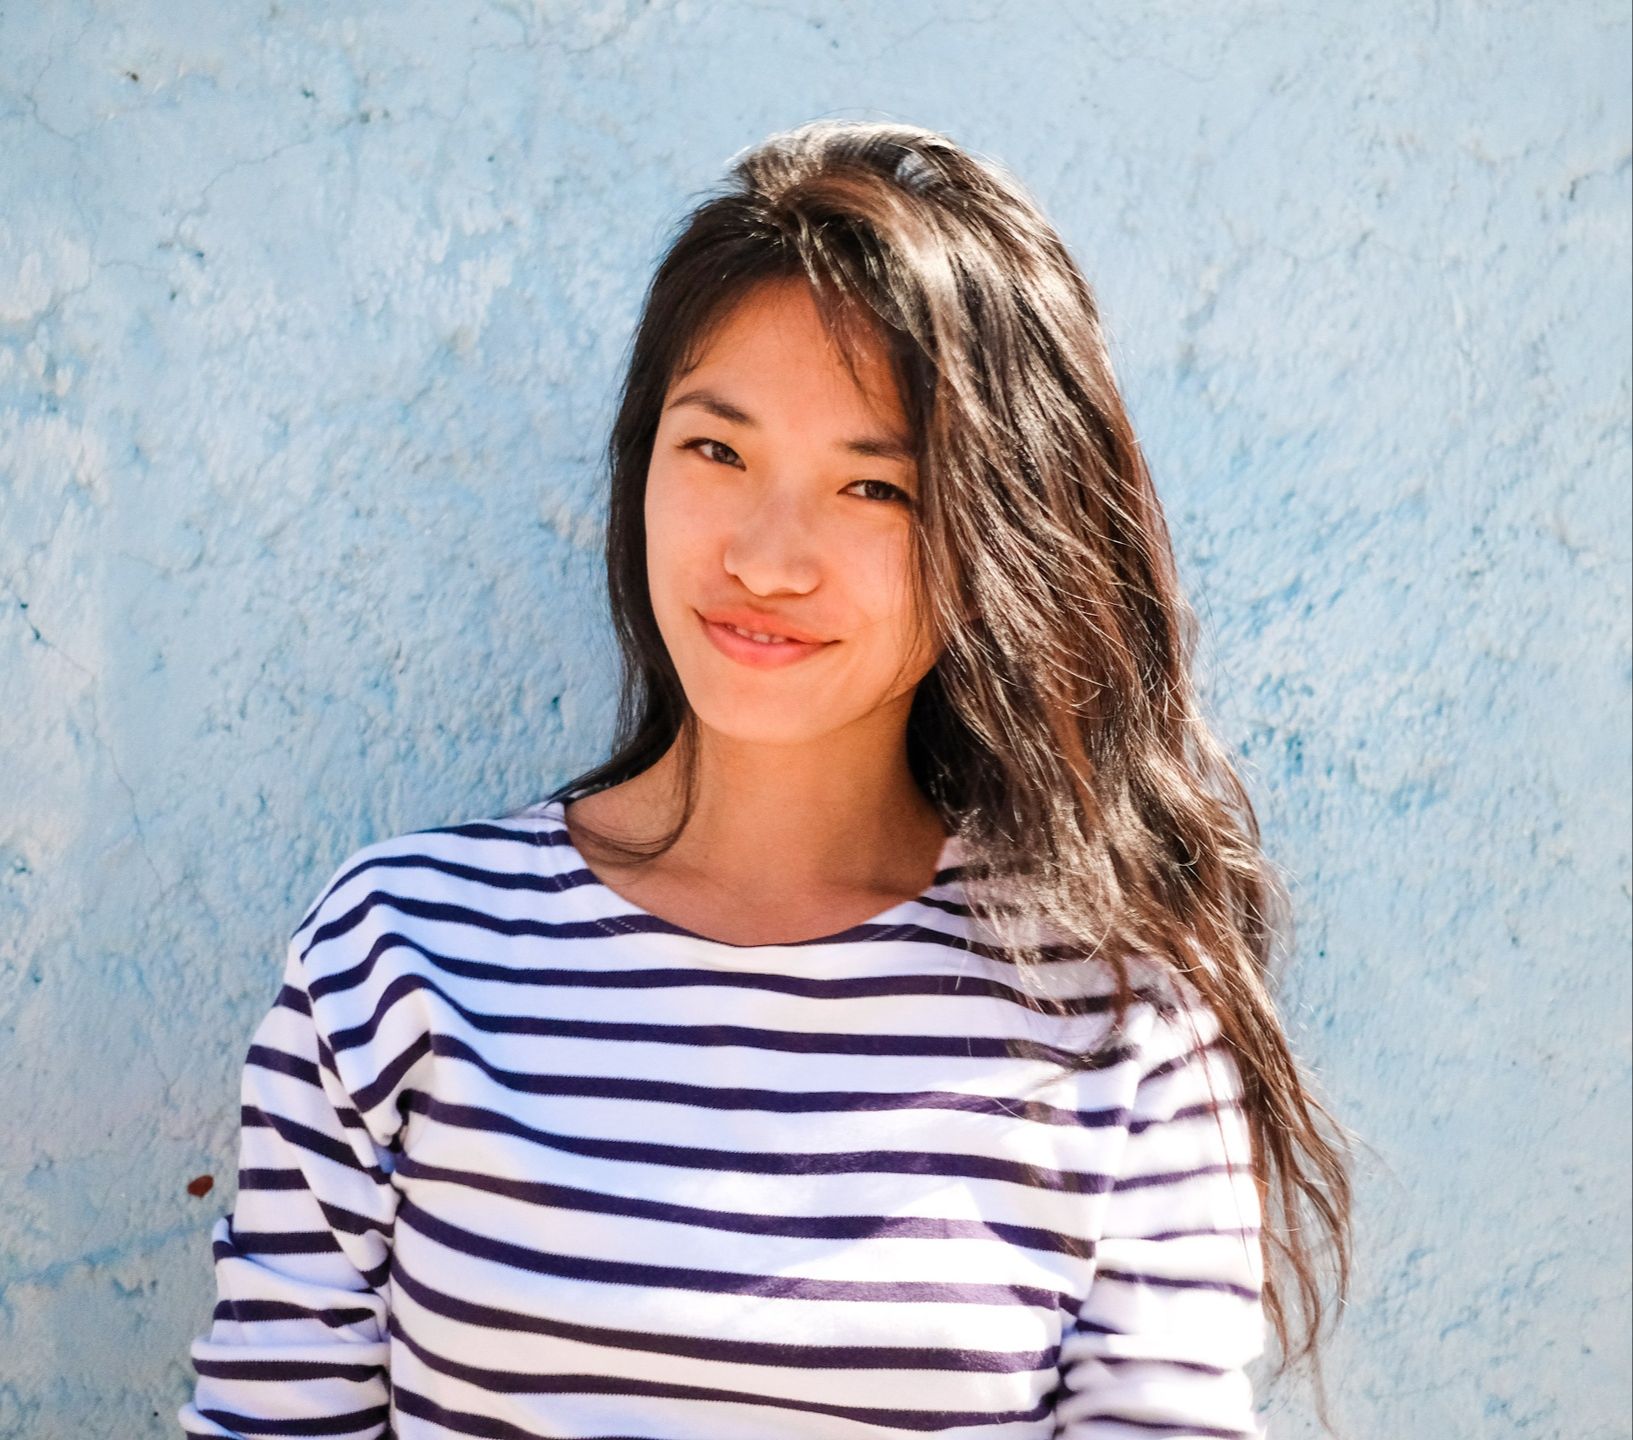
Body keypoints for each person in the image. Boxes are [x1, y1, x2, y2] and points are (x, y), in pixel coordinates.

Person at [179, 118, 1354, 1439]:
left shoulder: (1112, 1015)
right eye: (717, 451)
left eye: (874, 488)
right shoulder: (399, 953)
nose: (767, 559)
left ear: (999, 535)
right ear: (642, 460)